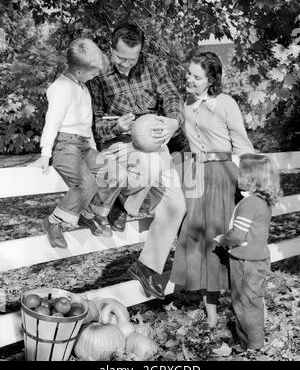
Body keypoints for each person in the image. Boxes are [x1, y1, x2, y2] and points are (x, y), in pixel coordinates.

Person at [87, 22, 186, 299]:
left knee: (177, 206)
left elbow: (172, 97)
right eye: (120, 58)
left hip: (154, 143)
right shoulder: (97, 74)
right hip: (119, 144)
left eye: (132, 59)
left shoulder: (153, 65)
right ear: (110, 48)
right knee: (150, 166)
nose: (126, 65)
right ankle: (118, 201)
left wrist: (172, 121)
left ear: (141, 51)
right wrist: (116, 126)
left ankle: (146, 267)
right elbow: (92, 125)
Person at [170, 51, 254, 327]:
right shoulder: (183, 104)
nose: (189, 79)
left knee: (224, 239)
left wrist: (248, 184)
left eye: (196, 76)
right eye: (188, 74)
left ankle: (244, 308)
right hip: (195, 175)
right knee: (201, 242)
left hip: (224, 175)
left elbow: (241, 143)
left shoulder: (225, 103)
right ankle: (212, 315)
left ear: (211, 80)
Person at [31, 38, 127, 249]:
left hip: (84, 145)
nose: (96, 76)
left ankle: (91, 213)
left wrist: (92, 147)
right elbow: (52, 121)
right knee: (86, 183)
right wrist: (45, 153)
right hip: (65, 146)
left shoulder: (82, 87)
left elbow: (86, 125)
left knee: (116, 173)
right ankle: (53, 221)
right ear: (79, 72)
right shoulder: (61, 87)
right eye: (93, 72)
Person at [213, 153, 281, 350]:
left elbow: (237, 235)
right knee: (253, 299)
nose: (237, 177)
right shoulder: (263, 201)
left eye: (241, 174)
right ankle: (253, 340)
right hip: (259, 258)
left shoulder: (248, 204)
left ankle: (251, 344)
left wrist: (223, 240)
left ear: (252, 179)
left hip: (245, 260)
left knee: (243, 301)